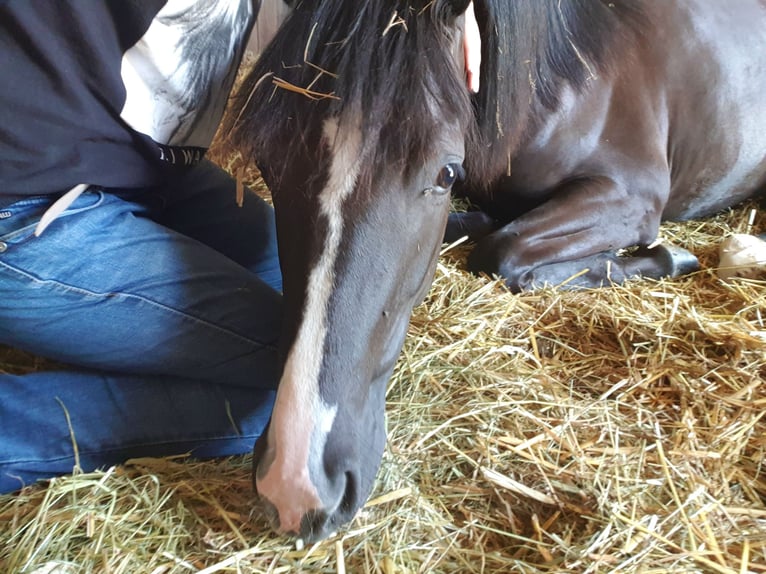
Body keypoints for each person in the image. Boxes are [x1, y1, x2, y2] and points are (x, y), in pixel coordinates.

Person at [0, 1, 283, 493]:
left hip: (149, 166)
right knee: (301, 384)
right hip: (27, 196)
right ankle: (14, 432)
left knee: (321, 305)